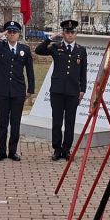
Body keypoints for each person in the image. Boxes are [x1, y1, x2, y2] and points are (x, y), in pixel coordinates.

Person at [0, 21, 35, 161]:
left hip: (18, 91)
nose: (11, 34)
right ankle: (1, 152)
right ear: (6, 33)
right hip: (2, 90)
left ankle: (13, 151)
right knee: (2, 123)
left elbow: (30, 71)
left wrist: (31, 89)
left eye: (14, 32)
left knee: (15, 123)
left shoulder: (25, 49)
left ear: (18, 34)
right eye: (9, 31)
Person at [35, 19, 88, 160]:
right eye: (67, 32)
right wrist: (50, 38)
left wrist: (83, 89)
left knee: (70, 122)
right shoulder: (56, 47)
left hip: (73, 92)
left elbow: (83, 72)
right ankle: (57, 149)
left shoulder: (81, 50)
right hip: (57, 91)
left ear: (76, 33)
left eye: (72, 32)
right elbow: (38, 50)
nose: (70, 34)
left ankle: (66, 149)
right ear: (63, 33)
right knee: (57, 121)